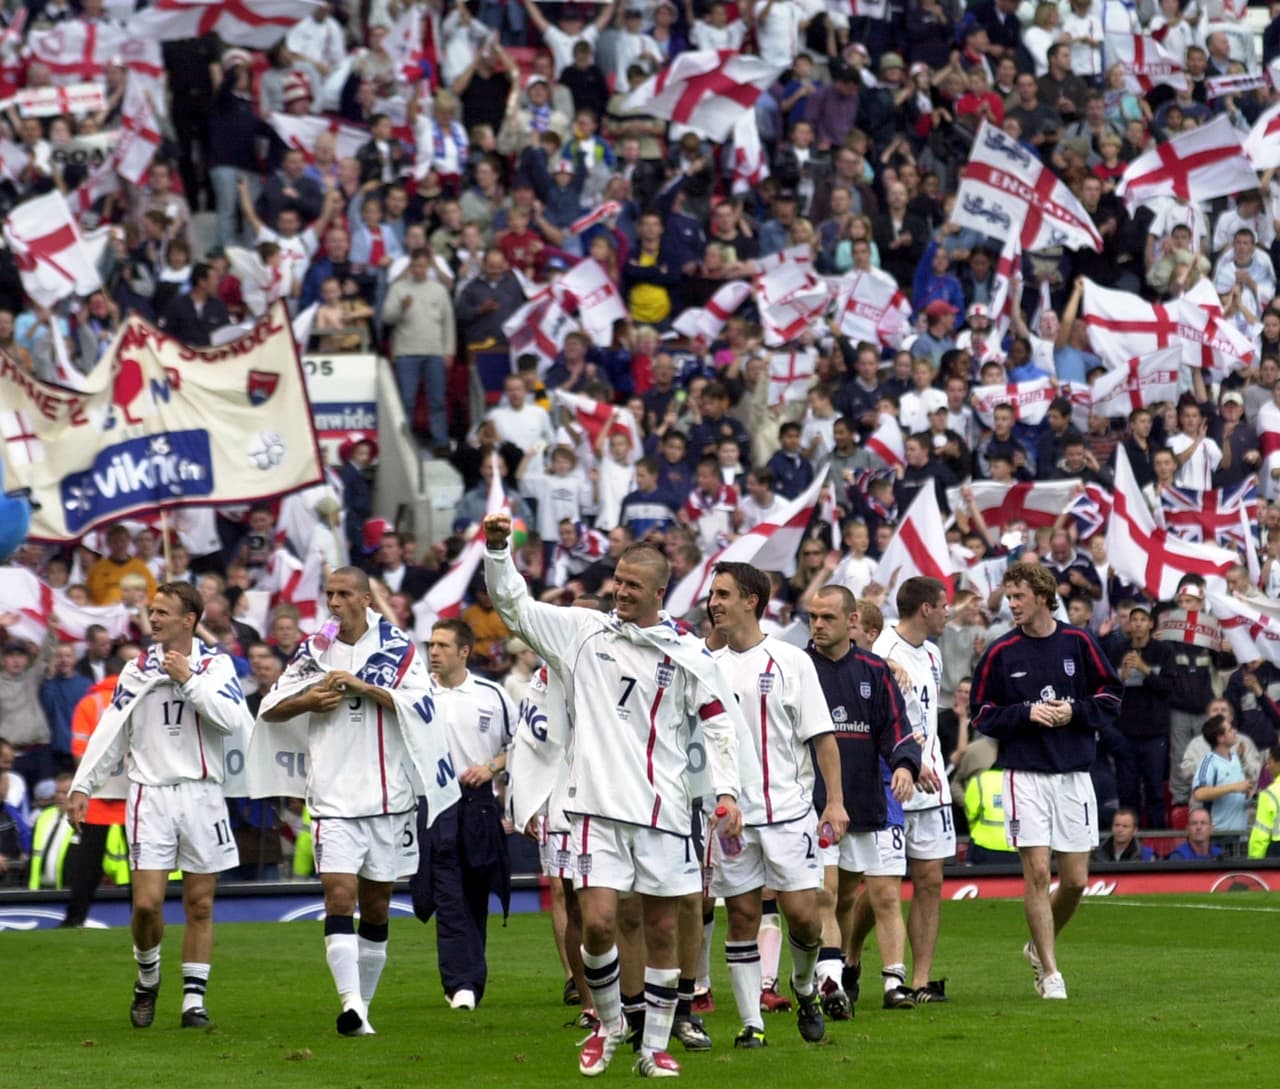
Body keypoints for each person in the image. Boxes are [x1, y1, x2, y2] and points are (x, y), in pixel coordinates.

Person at [483, 512, 745, 1079]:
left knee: (662, 929)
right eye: (617, 582)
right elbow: (515, 610)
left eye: (632, 586)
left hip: (664, 812)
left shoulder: (687, 653)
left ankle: (653, 1048)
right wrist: (498, 552)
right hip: (593, 808)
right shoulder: (582, 633)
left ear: (658, 592)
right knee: (598, 923)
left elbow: (721, 724)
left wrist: (727, 793)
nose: (620, 592)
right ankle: (608, 1024)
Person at [257, 567, 458, 1036]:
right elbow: (271, 706)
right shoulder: (315, 649)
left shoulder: (399, 649)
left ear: (366, 599)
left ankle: (362, 1007)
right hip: (332, 797)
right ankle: (348, 1003)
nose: (334, 602)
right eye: (329, 594)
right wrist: (310, 700)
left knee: (379, 906)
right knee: (339, 896)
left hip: (389, 799)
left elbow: (424, 707)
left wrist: (364, 688)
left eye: (344, 593)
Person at [67, 582, 253, 1029]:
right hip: (149, 794)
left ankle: (193, 1001)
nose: (153, 619)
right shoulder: (136, 670)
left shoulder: (216, 666)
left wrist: (188, 680)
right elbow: (112, 733)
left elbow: (232, 721)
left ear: (189, 619)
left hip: (202, 794)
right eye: (151, 611)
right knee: (147, 904)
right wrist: (83, 785)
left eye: (162, 612)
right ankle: (148, 975)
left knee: (200, 904)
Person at [705, 562, 848, 1048]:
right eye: (712, 594)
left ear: (751, 600)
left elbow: (823, 738)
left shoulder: (792, 661)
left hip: (789, 812)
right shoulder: (708, 668)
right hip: (732, 819)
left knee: (804, 915)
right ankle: (752, 1024)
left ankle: (804, 986)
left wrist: (835, 804)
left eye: (723, 593)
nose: (714, 602)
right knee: (742, 915)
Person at [970, 562, 1122, 1001]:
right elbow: (980, 712)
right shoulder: (1001, 652)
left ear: (1041, 595)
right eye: (1009, 596)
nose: (1011, 604)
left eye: (1018, 596)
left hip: (1074, 775)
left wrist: (1074, 711)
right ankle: (1050, 973)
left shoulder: (1079, 641)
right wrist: (1025, 713)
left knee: (1074, 881)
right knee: (1036, 872)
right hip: (1025, 777)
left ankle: (1037, 946)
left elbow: (1111, 696)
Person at [805, 585, 920, 1018]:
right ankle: (830, 984)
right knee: (826, 893)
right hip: (812, 803)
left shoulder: (874, 670)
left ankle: (842, 967)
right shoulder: (798, 667)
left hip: (864, 801)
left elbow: (895, 726)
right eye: (814, 617)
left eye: (828, 618)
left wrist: (905, 764)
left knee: (847, 896)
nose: (818, 625)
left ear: (852, 621)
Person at [413, 619, 515, 1011]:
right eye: (431, 644)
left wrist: (491, 767)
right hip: (436, 805)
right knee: (447, 892)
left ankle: (467, 977)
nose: (433, 652)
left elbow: (519, 745)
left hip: (479, 803)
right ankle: (462, 982)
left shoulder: (492, 694)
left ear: (464, 652)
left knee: (475, 890)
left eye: (442, 645)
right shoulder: (416, 695)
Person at [868, 576, 953, 1004]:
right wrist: (907, 760)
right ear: (925, 609)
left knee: (930, 881)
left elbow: (926, 717)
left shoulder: (934, 655)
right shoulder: (882, 650)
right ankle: (847, 958)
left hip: (933, 783)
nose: (947, 612)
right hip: (895, 782)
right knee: (878, 886)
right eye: (943, 605)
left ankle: (920, 981)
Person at [1191, 715, 1252, 835]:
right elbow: (1199, 793)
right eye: (1230, 730)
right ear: (1220, 738)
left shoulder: (1236, 758)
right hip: (1219, 835)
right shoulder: (1209, 762)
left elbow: (1243, 790)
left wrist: (1248, 794)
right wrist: (1233, 787)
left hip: (1240, 834)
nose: (1235, 731)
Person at [1247, 745, 1280, 858]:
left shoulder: (1270, 793)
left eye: (1270, 762)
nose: (1267, 767)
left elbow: (1261, 833)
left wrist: (1255, 862)